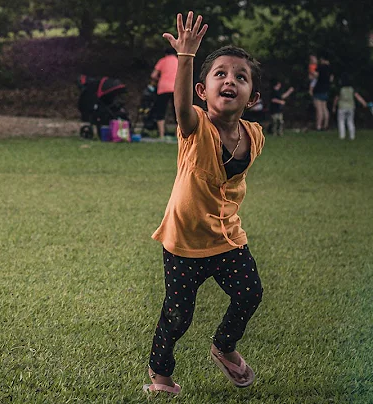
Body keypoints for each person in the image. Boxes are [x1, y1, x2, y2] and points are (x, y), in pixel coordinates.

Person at [143, 11, 264, 396]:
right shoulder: (195, 128)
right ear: (202, 91)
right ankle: (161, 378)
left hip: (227, 238)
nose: (230, 80)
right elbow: (179, 108)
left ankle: (224, 347)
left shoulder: (255, 135)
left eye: (240, 77)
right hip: (184, 243)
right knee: (178, 317)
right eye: (221, 75)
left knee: (250, 293)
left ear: (253, 97)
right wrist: (187, 56)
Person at [150, 48, 179, 140]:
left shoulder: (162, 61)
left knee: (161, 111)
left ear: (166, 54)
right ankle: (177, 135)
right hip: (176, 88)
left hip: (163, 88)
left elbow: (153, 75)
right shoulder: (178, 61)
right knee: (177, 112)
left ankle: (161, 135)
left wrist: (159, 79)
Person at [332, 76, 369, 140]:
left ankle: (342, 136)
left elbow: (336, 99)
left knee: (341, 121)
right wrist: (364, 103)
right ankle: (352, 136)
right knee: (350, 121)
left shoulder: (340, 89)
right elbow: (358, 96)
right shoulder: (352, 89)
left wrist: (334, 106)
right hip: (351, 107)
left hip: (342, 107)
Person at [311, 55, 333, 131]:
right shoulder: (330, 68)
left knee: (319, 109)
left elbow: (315, 75)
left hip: (318, 89)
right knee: (325, 108)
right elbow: (331, 79)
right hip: (326, 90)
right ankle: (326, 125)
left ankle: (319, 126)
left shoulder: (320, 67)